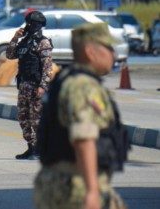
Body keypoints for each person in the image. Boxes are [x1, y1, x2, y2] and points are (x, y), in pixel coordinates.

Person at [34, 22, 130, 209]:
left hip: (62, 183)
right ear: (90, 51)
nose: (114, 54)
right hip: (76, 184)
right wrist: (92, 191)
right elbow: (83, 138)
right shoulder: (83, 86)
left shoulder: (67, 79)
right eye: (108, 48)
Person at [6, 10, 53, 160]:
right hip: (24, 85)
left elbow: (47, 67)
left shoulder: (43, 42)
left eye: (32, 23)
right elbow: (10, 55)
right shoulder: (25, 41)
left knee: (36, 119)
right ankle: (31, 147)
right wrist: (15, 38)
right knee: (23, 117)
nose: (29, 26)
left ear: (38, 25)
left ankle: (40, 149)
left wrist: (42, 86)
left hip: (36, 85)